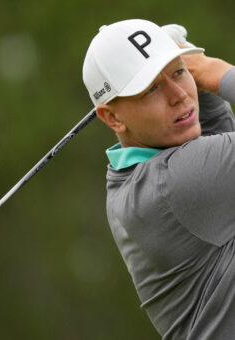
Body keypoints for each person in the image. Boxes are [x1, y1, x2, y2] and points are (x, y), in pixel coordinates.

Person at [82, 19, 235, 339]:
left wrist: (170, 60)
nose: (178, 95)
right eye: (151, 88)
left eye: (179, 73)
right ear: (112, 117)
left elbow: (217, 129)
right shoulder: (175, 183)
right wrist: (214, 70)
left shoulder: (130, 178)